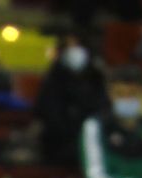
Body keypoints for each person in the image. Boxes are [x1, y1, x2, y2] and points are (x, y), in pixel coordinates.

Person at [35, 30, 108, 170]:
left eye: (77, 46)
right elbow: (45, 110)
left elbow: (102, 108)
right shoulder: (53, 79)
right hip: (57, 142)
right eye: (69, 47)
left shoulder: (96, 78)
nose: (74, 52)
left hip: (91, 140)